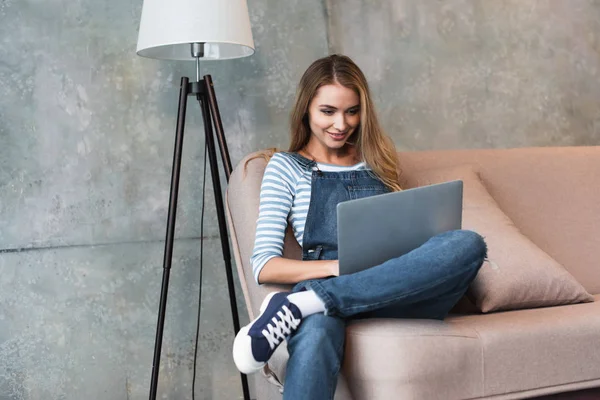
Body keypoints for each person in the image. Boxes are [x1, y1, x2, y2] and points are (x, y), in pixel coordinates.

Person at [232, 54, 487, 400]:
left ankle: (306, 303)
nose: (341, 124)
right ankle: (317, 302)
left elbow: (404, 239)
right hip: (331, 279)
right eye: (328, 111)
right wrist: (336, 268)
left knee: (468, 243)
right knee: (317, 331)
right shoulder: (286, 167)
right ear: (306, 109)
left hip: (393, 286)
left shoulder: (379, 161)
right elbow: (264, 265)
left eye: (352, 111)